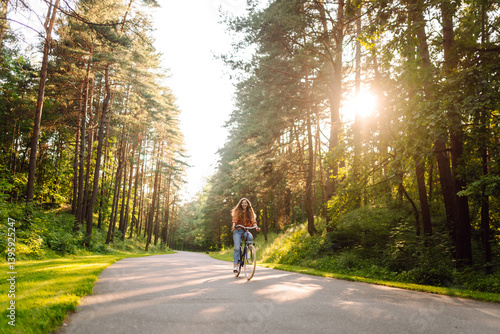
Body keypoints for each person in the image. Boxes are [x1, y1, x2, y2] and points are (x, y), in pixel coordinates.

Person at [231, 198, 260, 273]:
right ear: (241, 204)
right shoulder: (237, 211)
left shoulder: (250, 212)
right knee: (237, 248)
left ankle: (247, 253)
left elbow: (253, 221)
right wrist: (233, 226)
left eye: (245, 203)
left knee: (250, 237)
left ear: (248, 204)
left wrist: (256, 227)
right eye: (243, 203)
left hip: (245, 230)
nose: (244, 204)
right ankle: (236, 265)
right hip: (237, 230)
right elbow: (234, 219)